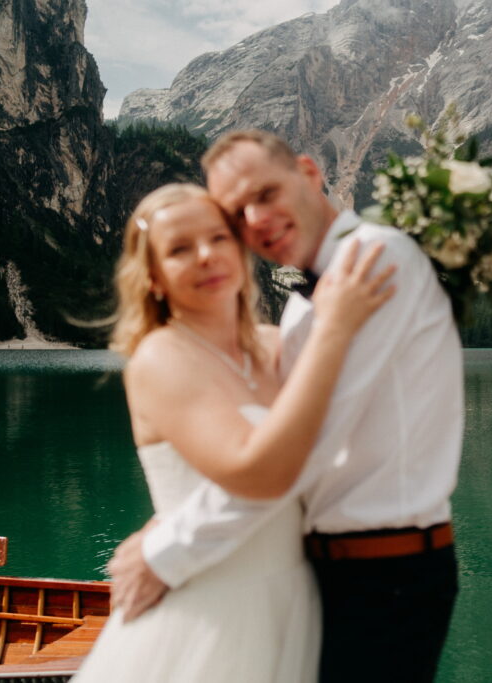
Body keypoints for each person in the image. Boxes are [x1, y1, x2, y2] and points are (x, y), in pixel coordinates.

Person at [109, 130, 466, 682]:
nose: (256, 219)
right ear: (153, 278)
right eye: (237, 213)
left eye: (267, 193)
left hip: (384, 574)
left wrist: (166, 550)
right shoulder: (301, 314)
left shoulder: (370, 263)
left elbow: (298, 454)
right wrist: (168, 519)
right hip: (316, 579)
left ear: (308, 172)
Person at [73, 183, 395, 681]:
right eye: (180, 249)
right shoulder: (160, 357)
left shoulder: (275, 347)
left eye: (218, 238)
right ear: (153, 277)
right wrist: (334, 330)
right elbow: (254, 470)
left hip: (296, 599)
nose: (206, 256)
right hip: (209, 610)